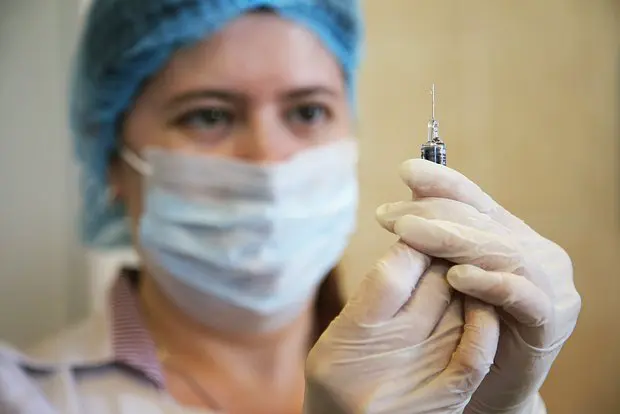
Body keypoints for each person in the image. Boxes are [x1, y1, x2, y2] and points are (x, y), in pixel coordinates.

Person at [0, 0, 581, 413]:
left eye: (307, 111)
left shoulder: (441, 375)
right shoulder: (27, 399)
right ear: (111, 158)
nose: (268, 158)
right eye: (208, 114)